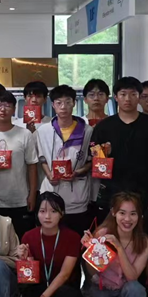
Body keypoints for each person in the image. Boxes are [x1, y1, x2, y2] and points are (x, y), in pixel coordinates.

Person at [92, 77, 148, 212]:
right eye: (123, 94)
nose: (128, 99)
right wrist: (103, 154)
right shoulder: (103, 126)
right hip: (112, 192)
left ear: (139, 97)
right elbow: (96, 161)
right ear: (116, 97)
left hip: (145, 192)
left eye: (133, 94)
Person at [86, 192, 148, 297]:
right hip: (102, 288)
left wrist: (119, 248)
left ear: (140, 215)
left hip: (125, 289)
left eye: (133, 214)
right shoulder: (102, 233)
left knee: (137, 289)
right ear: (114, 212)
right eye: (122, 213)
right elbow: (92, 271)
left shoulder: (145, 241)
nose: (127, 219)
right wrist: (90, 252)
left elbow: (132, 277)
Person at [17, 192, 82, 297]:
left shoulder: (72, 237)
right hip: (37, 286)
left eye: (53, 211)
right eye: (42, 211)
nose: (47, 216)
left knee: (68, 296)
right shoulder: (28, 236)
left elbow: (65, 274)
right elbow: (28, 275)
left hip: (61, 287)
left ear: (62, 213)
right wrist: (24, 259)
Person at [0, 90, 39, 238]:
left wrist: (32, 194)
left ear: (14, 109)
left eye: (7, 105)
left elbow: (32, 166)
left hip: (21, 198)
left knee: (22, 240)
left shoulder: (25, 134)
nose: (3, 109)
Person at [35, 85, 94, 235]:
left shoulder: (87, 130)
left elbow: (91, 161)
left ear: (74, 103)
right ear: (53, 105)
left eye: (68, 102)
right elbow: (42, 158)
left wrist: (77, 172)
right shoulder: (43, 130)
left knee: (76, 236)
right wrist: (49, 174)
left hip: (77, 195)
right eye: (59, 103)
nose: (63, 107)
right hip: (51, 191)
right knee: (50, 236)